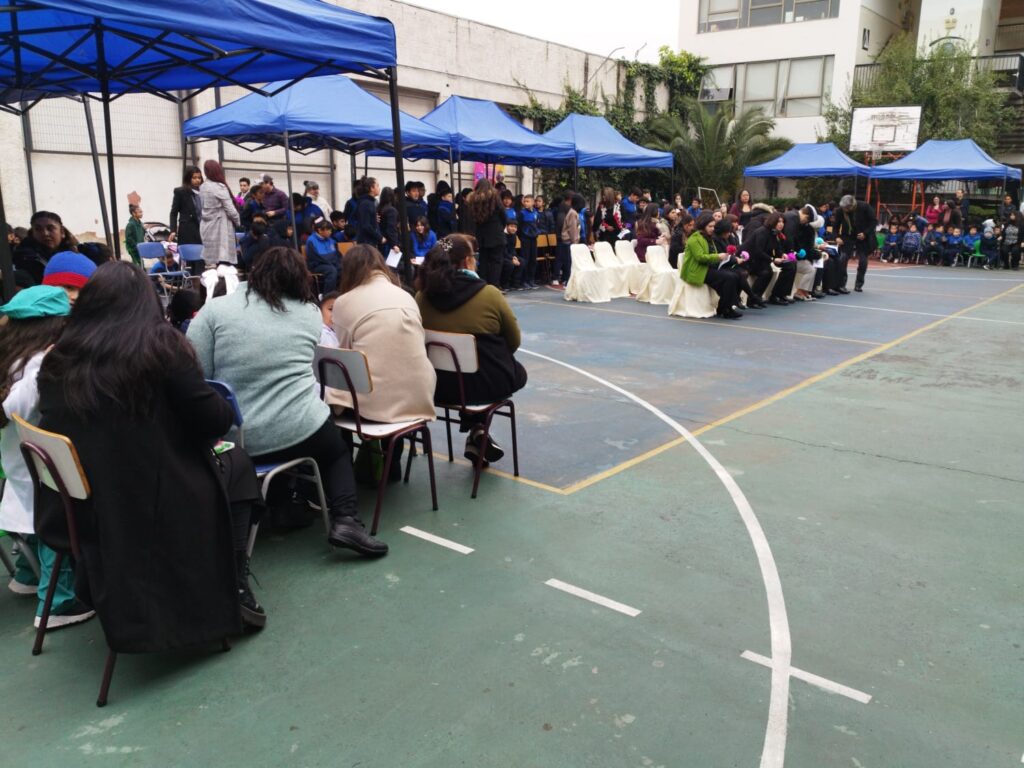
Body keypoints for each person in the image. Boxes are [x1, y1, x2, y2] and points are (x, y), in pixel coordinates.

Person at [37, 261, 267, 644]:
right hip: (154, 499)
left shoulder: (58, 358)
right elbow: (214, 420)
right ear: (146, 303)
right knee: (239, 463)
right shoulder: (160, 349)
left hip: (84, 505)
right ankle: (234, 580)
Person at [186, 247, 386, 557]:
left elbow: (199, 373)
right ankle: (346, 520)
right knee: (335, 451)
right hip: (300, 429)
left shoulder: (215, 311)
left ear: (255, 273)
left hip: (237, 439)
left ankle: (279, 507)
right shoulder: (309, 314)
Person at [0, 286, 95, 628]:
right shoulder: (39, 363)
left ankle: (26, 575)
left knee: (32, 519)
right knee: (54, 529)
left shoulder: (11, 359)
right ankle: (56, 603)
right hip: (44, 476)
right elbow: (14, 407)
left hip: (19, 470)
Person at [415, 234, 526, 463]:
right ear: (467, 261)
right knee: (510, 372)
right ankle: (478, 431)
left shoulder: (421, 298)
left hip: (437, 385)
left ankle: (477, 433)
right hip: (483, 386)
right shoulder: (489, 294)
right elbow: (514, 341)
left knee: (469, 376)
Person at [328, 245, 436, 424]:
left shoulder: (344, 302)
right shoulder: (406, 296)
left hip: (373, 405)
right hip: (421, 396)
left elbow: (345, 352)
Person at [681, 212, 742, 319]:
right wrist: (718, 256)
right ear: (702, 225)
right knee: (729, 277)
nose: (712, 229)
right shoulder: (694, 239)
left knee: (735, 276)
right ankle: (725, 308)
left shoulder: (708, 237)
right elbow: (700, 257)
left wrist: (722, 257)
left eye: (713, 226)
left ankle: (725, 307)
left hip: (707, 268)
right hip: (697, 270)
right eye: (710, 226)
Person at [12, 211, 78, 287]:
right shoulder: (25, 259)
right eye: (38, 229)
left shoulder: (78, 254)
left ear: (62, 232)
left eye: (50, 228)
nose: (45, 233)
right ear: (32, 233)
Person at [199, 160, 241, 268]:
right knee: (223, 260)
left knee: (210, 263)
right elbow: (230, 209)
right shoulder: (219, 187)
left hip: (206, 226)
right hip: (221, 226)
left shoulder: (202, 187)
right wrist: (238, 221)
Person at [468, 178, 507, 287]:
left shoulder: (473, 200)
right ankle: (494, 285)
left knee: (483, 261)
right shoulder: (495, 197)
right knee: (496, 261)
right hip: (496, 234)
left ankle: (483, 285)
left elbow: (472, 219)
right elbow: (503, 215)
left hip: (481, 235)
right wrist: (501, 227)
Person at [833, 194, 877, 292]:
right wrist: (836, 237)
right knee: (843, 259)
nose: (845, 210)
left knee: (863, 261)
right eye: (843, 208)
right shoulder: (840, 211)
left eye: (847, 208)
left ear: (852, 206)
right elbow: (835, 226)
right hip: (847, 236)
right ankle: (841, 284)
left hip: (863, 236)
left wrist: (865, 233)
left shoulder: (864, 206)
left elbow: (873, 222)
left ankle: (859, 284)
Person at [169, 165, 203, 245]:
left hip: (202, 230)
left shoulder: (204, 192)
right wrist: (173, 230)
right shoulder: (180, 192)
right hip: (187, 231)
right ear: (188, 178)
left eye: (199, 178)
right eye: (194, 178)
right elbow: (173, 213)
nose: (197, 180)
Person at [305, 218, 341, 294]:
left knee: (344, 269)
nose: (330, 232)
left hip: (331, 263)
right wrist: (331, 262)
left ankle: (340, 293)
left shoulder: (331, 240)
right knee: (332, 271)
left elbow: (337, 254)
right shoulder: (311, 241)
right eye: (328, 230)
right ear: (320, 230)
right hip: (317, 265)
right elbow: (316, 258)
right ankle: (327, 295)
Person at [353, 176, 384, 249]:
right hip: (366, 243)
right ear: (372, 188)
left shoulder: (369, 202)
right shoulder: (366, 203)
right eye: (377, 185)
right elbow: (366, 225)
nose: (379, 188)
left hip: (369, 242)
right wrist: (380, 237)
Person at [517, 194, 540, 289]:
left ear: (533, 202)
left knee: (533, 260)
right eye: (525, 201)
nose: (526, 203)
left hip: (533, 239)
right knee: (525, 259)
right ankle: (524, 281)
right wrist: (522, 237)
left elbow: (537, 225)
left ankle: (531, 280)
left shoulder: (536, 213)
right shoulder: (522, 213)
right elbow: (519, 227)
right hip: (525, 239)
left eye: (528, 201)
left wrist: (536, 233)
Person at [552, 191, 574, 286]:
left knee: (567, 259)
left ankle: (565, 277)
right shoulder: (563, 207)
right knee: (560, 258)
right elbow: (561, 222)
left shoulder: (568, 207)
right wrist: (566, 231)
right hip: (562, 236)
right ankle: (556, 277)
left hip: (566, 236)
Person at [378, 187, 401, 259]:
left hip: (381, 240)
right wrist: (394, 244)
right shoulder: (391, 210)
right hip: (388, 243)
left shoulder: (378, 208)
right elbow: (391, 229)